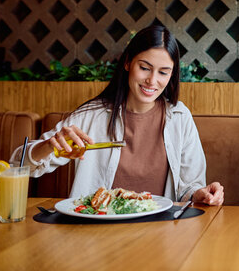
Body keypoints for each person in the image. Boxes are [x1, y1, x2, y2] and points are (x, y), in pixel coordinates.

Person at [11, 25, 224, 205]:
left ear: (172, 74)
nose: (152, 81)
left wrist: (201, 194)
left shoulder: (180, 117)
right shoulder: (92, 115)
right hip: (96, 233)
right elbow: (18, 165)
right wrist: (49, 145)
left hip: (161, 232)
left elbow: (188, 187)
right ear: (128, 63)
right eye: (144, 68)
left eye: (163, 72)